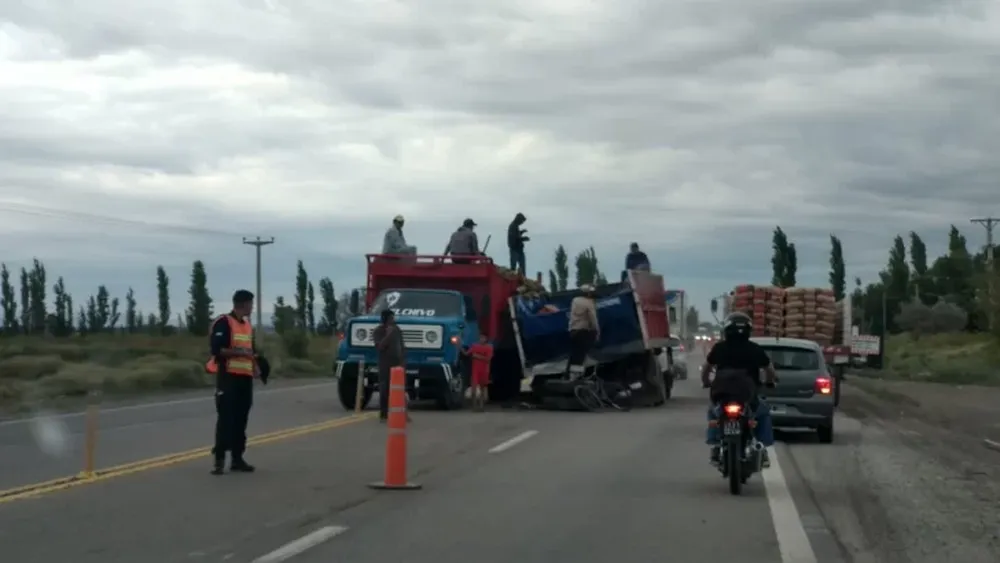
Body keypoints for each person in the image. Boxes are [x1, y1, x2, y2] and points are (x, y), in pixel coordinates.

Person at [206, 289, 270, 475]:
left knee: (241, 420)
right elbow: (217, 349)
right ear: (242, 304)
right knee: (226, 419)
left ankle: (237, 458)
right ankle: (219, 460)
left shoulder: (247, 326)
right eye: (251, 303)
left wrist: (257, 367)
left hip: (244, 379)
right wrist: (239, 353)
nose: (252, 307)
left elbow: (251, 351)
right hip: (228, 378)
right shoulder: (224, 322)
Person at [700, 312, 777, 467]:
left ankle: (715, 445)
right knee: (763, 414)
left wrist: (706, 382)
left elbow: (707, 368)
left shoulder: (719, 348)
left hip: (721, 394)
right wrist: (769, 382)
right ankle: (763, 446)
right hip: (747, 395)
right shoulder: (754, 349)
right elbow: (769, 370)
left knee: (713, 413)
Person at [373, 309, 406, 422]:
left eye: (393, 318)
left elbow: (402, 346)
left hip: (397, 364)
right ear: (385, 319)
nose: (393, 320)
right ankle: (384, 413)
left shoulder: (397, 329)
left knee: (400, 390)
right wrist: (388, 335)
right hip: (385, 364)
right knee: (384, 388)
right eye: (391, 318)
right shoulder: (378, 331)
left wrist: (403, 362)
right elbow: (380, 346)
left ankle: (403, 413)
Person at [567, 284, 600, 380]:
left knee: (574, 354)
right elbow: (593, 320)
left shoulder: (575, 300)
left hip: (573, 331)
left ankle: (569, 375)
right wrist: (597, 332)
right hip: (583, 332)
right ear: (588, 293)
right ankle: (576, 378)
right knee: (581, 356)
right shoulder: (589, 303)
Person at [462, 334, 494, 411]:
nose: (481, 339)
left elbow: (488, 359)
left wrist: (477, 356)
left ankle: (481, 406)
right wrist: (459, 345)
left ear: (486, 339)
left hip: (484, 370)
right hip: (475, 370)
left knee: (482, 389)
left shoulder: (489, 347)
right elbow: (466, 354)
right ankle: (474, 406)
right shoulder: (474, 346)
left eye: (483, 338)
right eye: (480, 338)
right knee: (473, 389)